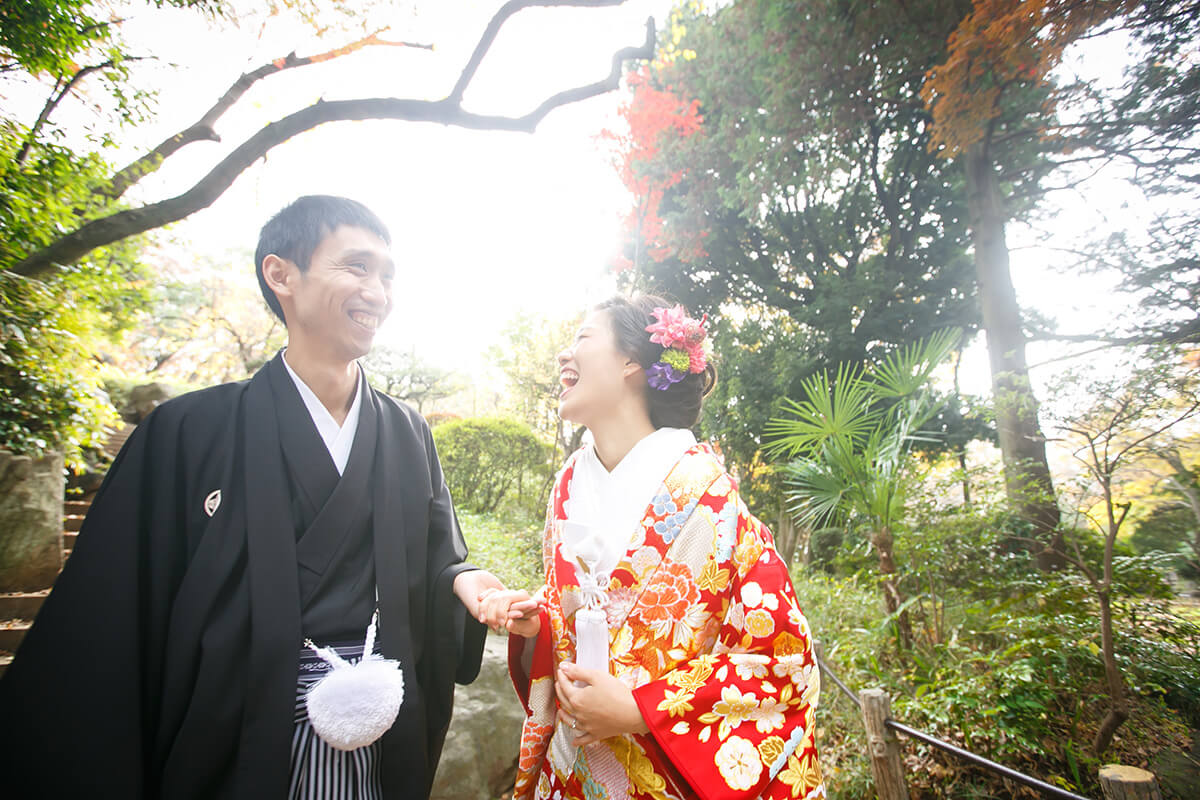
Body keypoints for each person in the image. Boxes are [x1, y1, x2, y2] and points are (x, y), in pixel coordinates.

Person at [0, 195, 507, 799]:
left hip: (376, 724)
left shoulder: (406, 433)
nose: (378, 291)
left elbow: (436, 556)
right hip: (229, 735)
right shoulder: (188, 431)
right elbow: (114, 608)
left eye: (388, 275)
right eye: (357, 267)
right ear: (280, 274)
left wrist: (468, 580)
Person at [481, 295, 825, 800]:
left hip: (663, 775)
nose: (564, 355)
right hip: (570, 768)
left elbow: (782, 660)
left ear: (632, 363)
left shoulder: (710, 496)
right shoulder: (567, 486)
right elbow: (582, 621)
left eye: (583, 337)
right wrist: (539, 625)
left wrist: (644, 709)